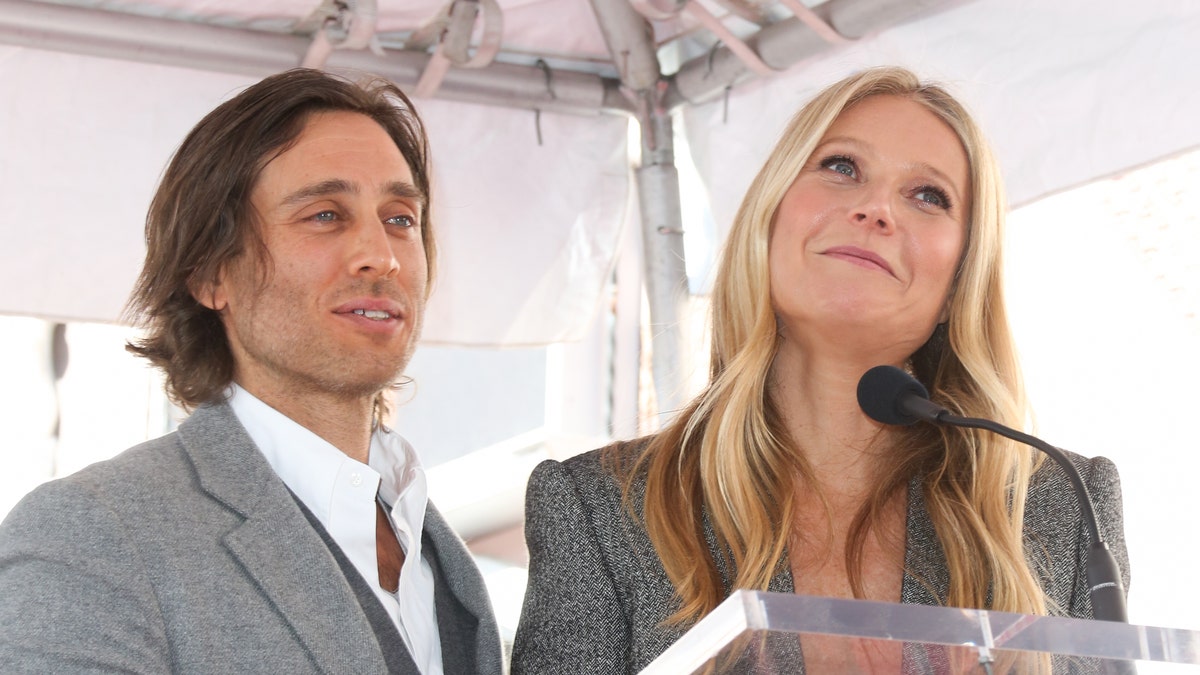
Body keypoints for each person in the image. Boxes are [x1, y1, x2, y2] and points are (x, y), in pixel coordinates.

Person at [510, 66, 1130, 673]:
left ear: (958, 285)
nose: (875, 208)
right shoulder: (599, 508)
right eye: (842, 167)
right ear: (769, 217)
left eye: (927, 195)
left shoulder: (1063, 506)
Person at [0, 68, 502, 674]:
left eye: (400, 218)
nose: (382, 256)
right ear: (211, 274)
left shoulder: (432, 545)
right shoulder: (92, 535)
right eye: (324, 214)